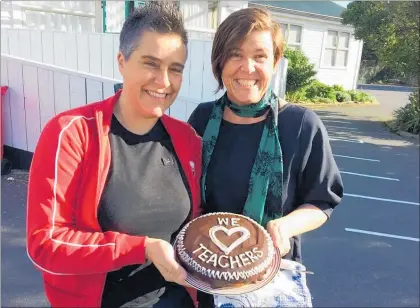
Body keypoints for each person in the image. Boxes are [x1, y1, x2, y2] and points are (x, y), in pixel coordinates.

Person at [26, 2, 202, 308]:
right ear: (122, 61)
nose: (163, 81)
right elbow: (45, 243)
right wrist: (141, 248)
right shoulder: (72, 133)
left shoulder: (186, 139)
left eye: (175, 68)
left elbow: (195, 225)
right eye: (150, 63)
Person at [187, 7, 344, 307]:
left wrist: (286, 226)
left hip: (270, 283)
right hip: (205, 276)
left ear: (274, 63)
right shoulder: (202, 119)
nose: (247, 67)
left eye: (259, 56)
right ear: (219, 62)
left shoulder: (300, 124)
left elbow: (323, 200)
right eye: (235, 54)